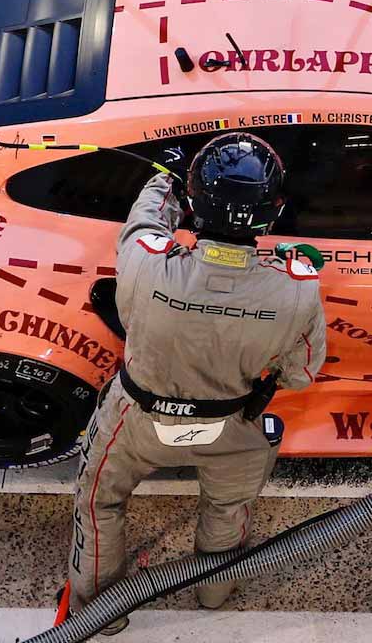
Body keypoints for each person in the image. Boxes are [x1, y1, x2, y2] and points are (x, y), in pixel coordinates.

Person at [69, 132, 327, 633]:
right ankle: (213, 594)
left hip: (134, 422)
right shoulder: (297, 288)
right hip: (230, 430)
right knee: (228, 509)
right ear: (273, 212)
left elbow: (146, 219)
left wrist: (164, 175)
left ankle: (98, 615)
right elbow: (302, 375)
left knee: (99, 503)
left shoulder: (145, 261)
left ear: (193, 204)